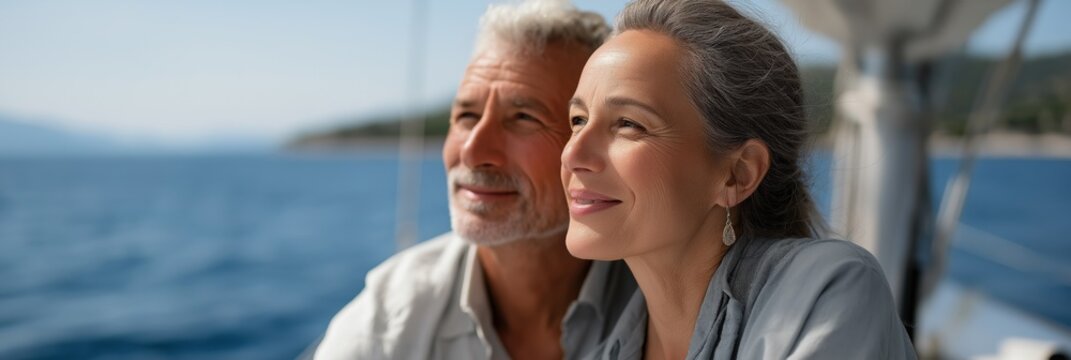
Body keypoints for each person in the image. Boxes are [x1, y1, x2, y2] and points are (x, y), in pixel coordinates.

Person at [560, 0, 917, 359]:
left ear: (737, 174)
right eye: (577, 120)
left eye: (628, 124)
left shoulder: (829, 290)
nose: (572, 155)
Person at [314, 1, 636, 359]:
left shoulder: (663, 298)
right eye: (467, 115)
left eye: (524, 117)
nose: (472, 151)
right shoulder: (385, 326)